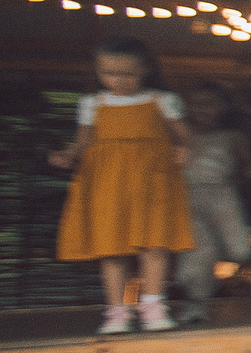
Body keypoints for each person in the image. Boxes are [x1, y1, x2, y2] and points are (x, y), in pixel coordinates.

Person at [52, 36, 193, 334]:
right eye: (108, 73)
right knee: (111, 248)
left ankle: (153, 305)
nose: (117, 80)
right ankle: (117, 311)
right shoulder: (93, 104)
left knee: (153, 244)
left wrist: (183, 147)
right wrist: (69, 155)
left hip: (152, 183)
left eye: (127, 74)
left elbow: (183, 135)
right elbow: (83, 142)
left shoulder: (162, 100)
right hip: (107, 184)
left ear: (145, 70)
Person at [175, 81, 251, 316]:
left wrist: (249, 174)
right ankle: (196, 303)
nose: (202, 109)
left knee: (240, 250)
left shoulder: (232, 137)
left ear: (223, 107)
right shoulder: (181, 135)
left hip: (223, 194)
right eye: (196, 104)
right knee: (197, 253)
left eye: (210, 104)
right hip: (188, 196)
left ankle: (214, 255)